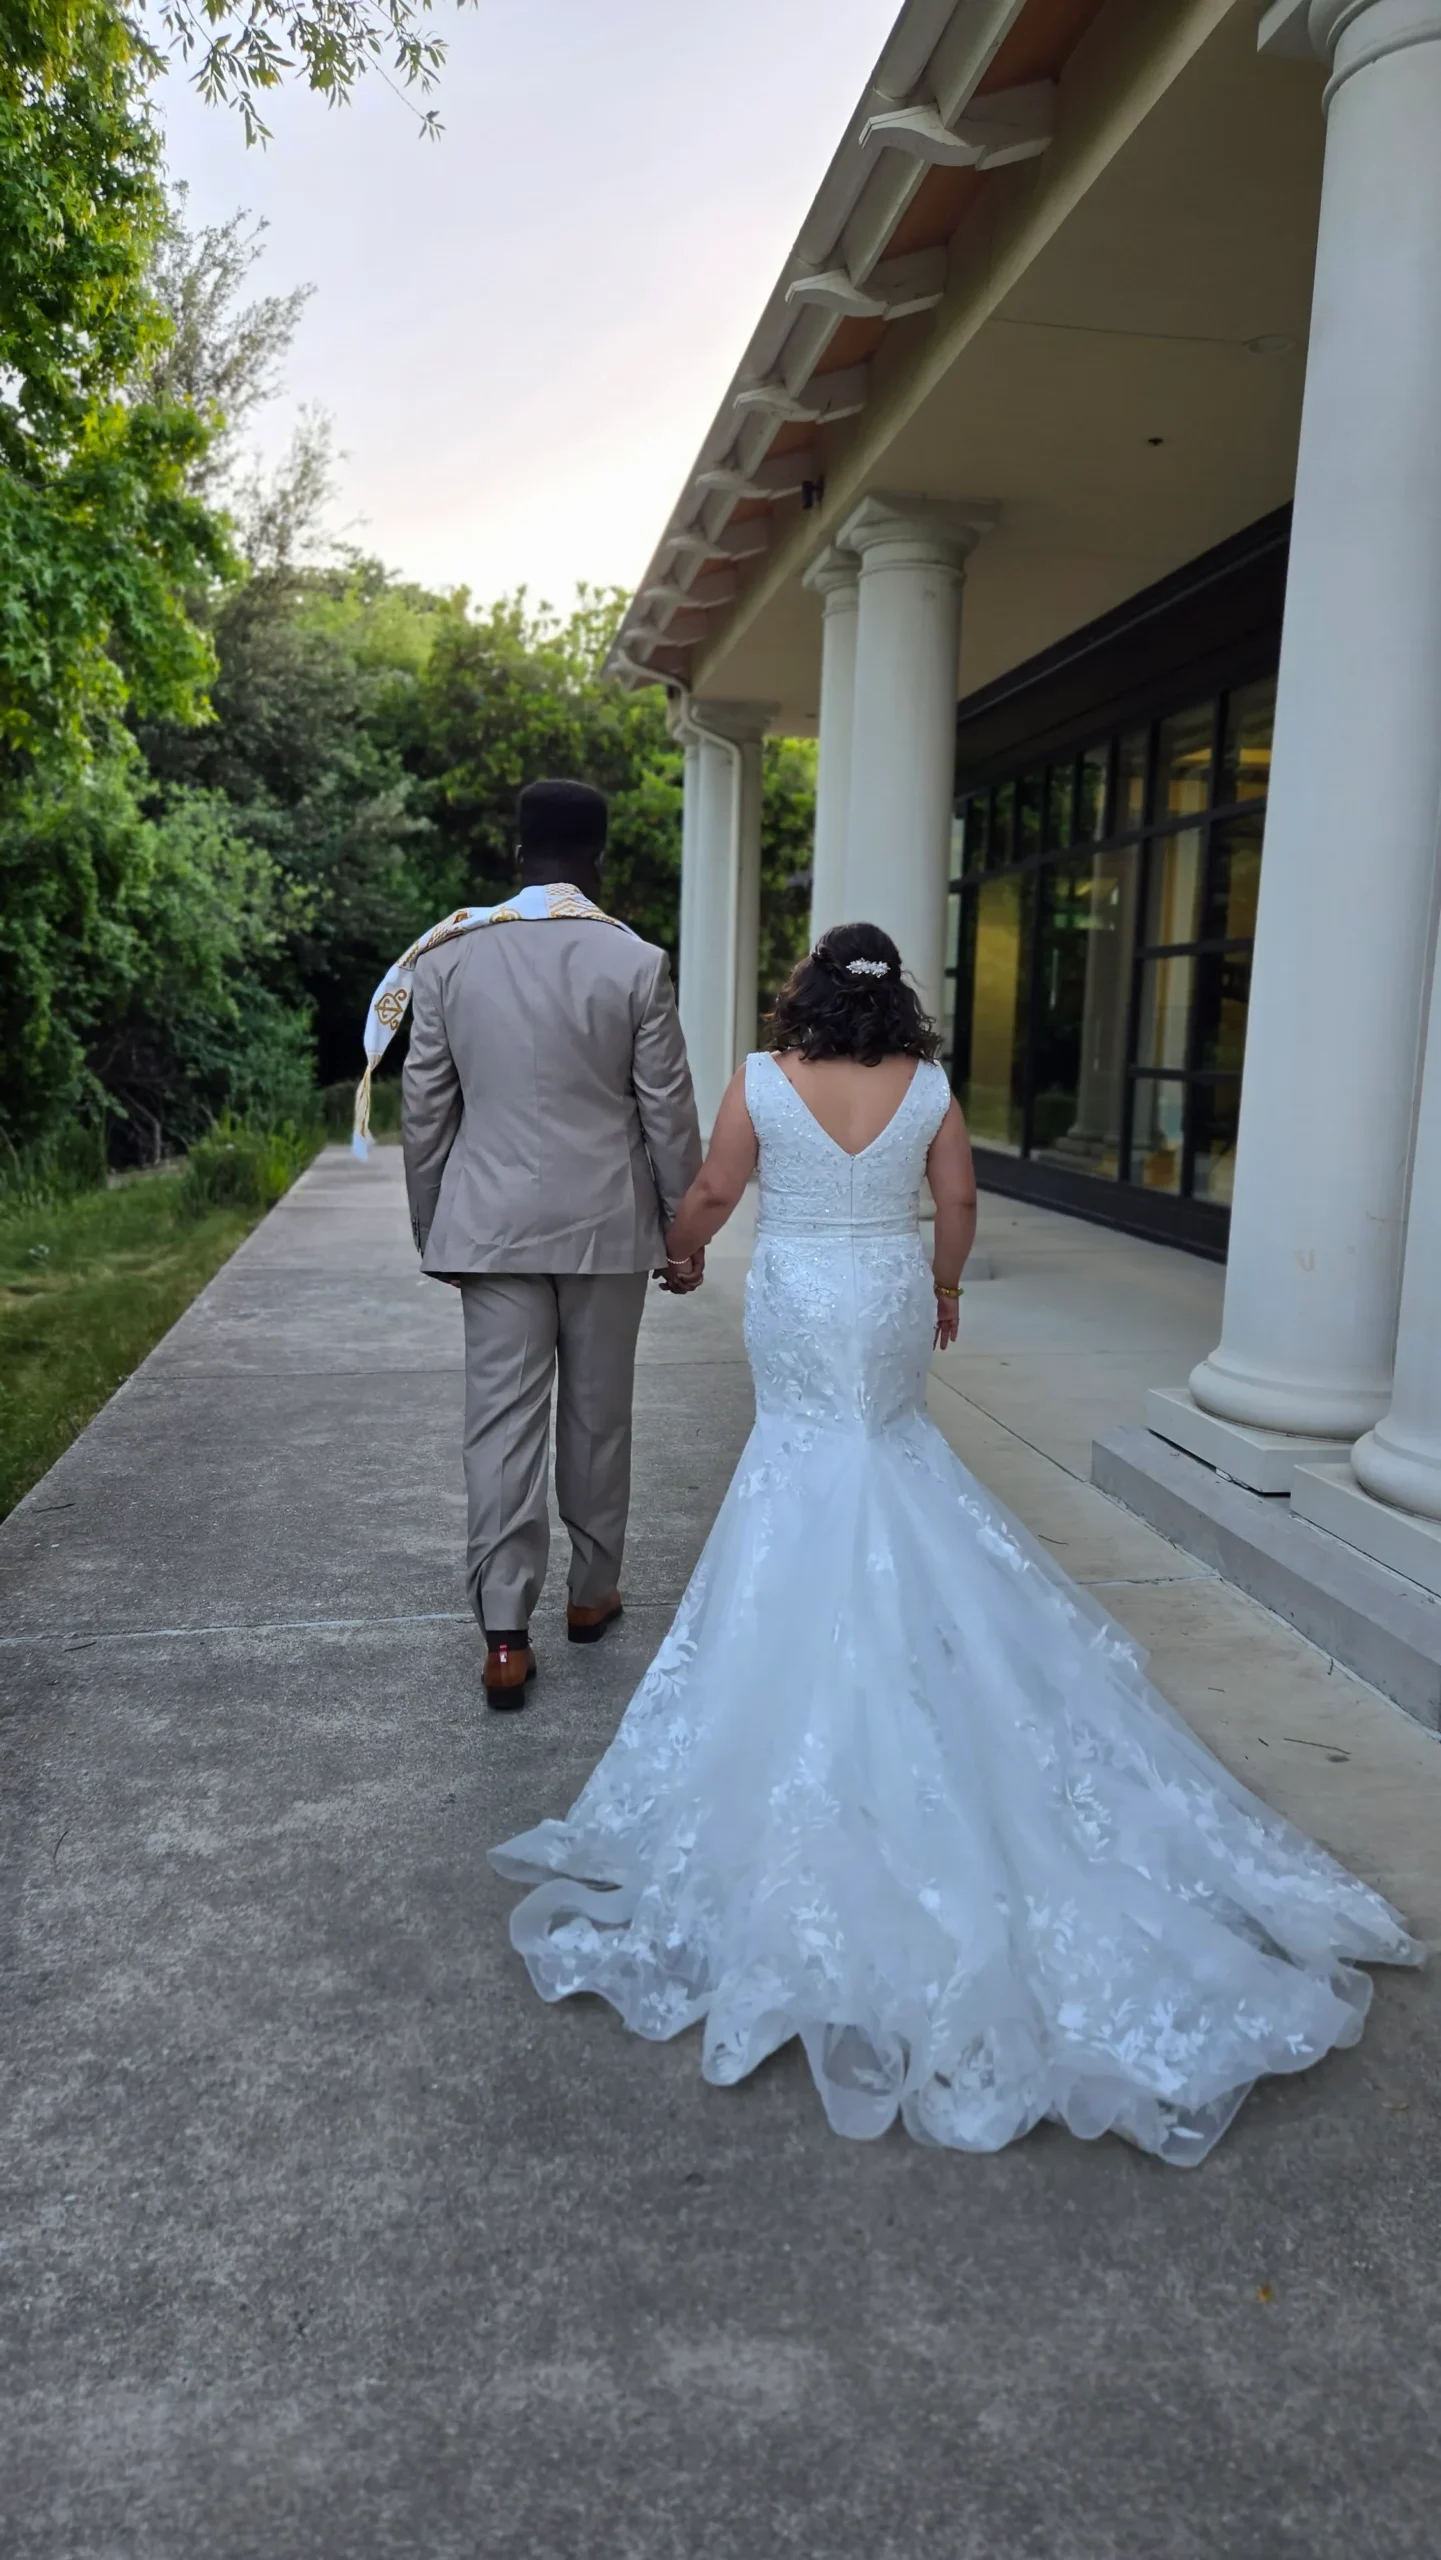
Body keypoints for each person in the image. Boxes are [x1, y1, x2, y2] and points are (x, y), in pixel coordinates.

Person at [492, 919, 1422, 2165]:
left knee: (801, 1464)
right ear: (898, 1000)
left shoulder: (764, 1075)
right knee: (889, 1459)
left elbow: (712, 1189)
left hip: (800, 1292)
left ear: (809, 989)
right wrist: (941, 1284)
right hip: (880, 1289)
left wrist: (681, 1251)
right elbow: (960, 1200)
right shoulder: (925, 1083)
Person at [396, 778, 702, 1708]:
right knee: (598, 1419)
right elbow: (666, 1112)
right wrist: (681, 1231)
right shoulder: (636, 962)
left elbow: (424, 1111)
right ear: (598, 858)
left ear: (517, 853)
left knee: (499, 1426)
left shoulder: (448, 960)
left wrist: (435, 1230)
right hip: (607, 1228)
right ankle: (590, 1595)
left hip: (489, 1230)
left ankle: (502, 1635)